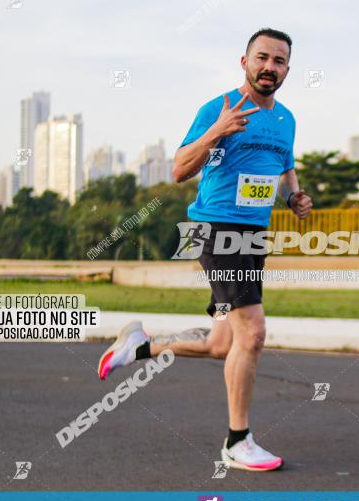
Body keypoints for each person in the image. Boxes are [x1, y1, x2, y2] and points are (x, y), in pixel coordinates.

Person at [97, 28, 313, 472]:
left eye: (279, 60)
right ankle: (238, 441)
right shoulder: (218, 107)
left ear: (288, 69)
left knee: (222, 342)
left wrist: (294, 197)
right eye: (262, 57)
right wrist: (218, 130)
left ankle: (140, 347)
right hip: (215, 228)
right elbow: (178, 169)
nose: (269, 66)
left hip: (254, 235)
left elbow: (286, 166)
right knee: (252, 333)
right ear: (244, 62)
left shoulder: (286, 119)